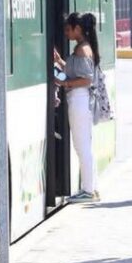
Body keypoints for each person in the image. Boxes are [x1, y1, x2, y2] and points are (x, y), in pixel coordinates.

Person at [54, 11, 100, 203]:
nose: (66, 33)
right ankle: (92, 188)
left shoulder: (82, 50)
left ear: (78, 29)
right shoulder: (83, 48)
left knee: (82, 146)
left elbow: (86, 79)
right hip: (81, 100)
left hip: (79, 100)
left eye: (68, 29)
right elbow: (76, 72)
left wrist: (64, 83)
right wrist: (59, 62)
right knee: (85, 146)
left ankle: (88, 191)